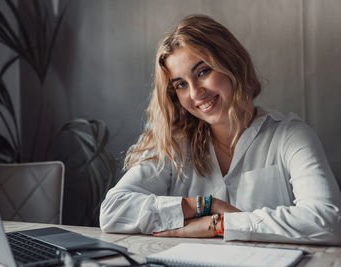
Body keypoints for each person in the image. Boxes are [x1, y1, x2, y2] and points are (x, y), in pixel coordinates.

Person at [99, 14, 341, 244]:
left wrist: (220, 224)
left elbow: (328, 220)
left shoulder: (290, 136)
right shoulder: (176, 145)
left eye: (203, 71)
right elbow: (113, 211)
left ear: (231, 63)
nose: (195, 93)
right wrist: (205, 205)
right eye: (181, 85)